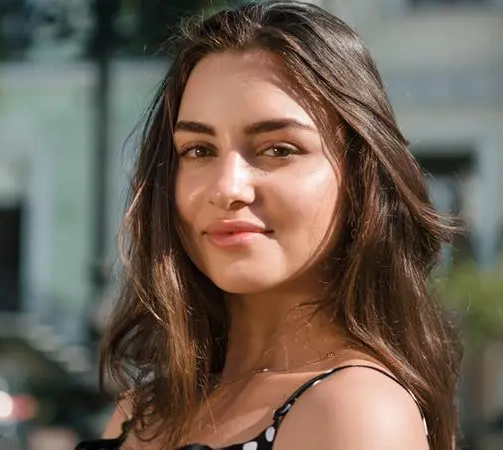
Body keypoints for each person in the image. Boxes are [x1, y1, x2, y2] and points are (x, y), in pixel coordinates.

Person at [76, 1, 462, 449]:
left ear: (360, 176)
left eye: (278, 149)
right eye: (198, 150)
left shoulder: (351, 410)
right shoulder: (142, 410)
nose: (228, 188)